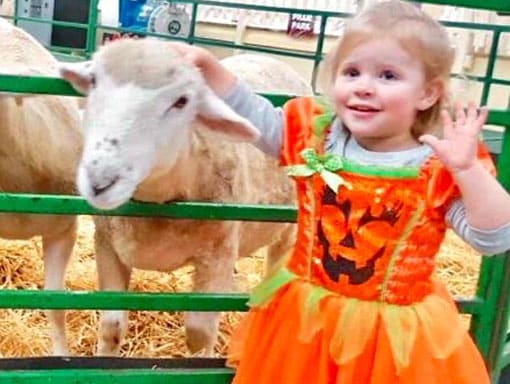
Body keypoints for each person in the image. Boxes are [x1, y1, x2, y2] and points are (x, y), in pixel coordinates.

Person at [172, 1, 510, 382]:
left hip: (392, 343)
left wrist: (467, 171)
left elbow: (494, 237)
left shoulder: (439, 162)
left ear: (428, 94)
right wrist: (212, 69)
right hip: (304, 325)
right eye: (352, 72)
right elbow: (261, 120)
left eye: (387, 75)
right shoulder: (317, 135)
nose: (364, 87)